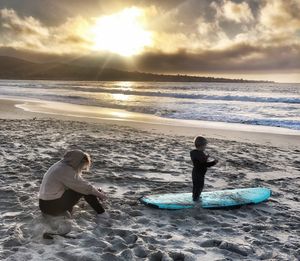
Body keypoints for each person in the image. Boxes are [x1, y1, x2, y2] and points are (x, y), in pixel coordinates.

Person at [39, 150, 107, 217]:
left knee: (82, 188)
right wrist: (100, 195)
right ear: (77, 161)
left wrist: (96, 191)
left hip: (43, 204)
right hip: (51, 207)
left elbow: (78, 182)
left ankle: (68, 210)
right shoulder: (65, 170)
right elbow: (85, 187)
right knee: (85, 190)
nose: (82, 168)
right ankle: (102, 213)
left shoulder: (60, 165)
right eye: (82, 165)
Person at [190, 136, 218, 201]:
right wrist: (214, 162)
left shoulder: (196, 153)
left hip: (196, 172)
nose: (205, 147)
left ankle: (195, 197)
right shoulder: (200, 154)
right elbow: (204, 164)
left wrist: (205, 157)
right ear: (201, 146)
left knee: (196, 186)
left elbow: (199, 161)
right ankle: (196, 198)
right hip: (199, 174)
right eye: (205, 146)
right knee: (199, 186)